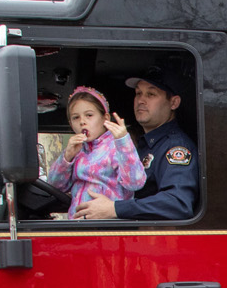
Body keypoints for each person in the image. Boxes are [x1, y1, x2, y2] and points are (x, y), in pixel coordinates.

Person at [75, 66, 198, 220]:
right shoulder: (139, 145)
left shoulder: (175, 147)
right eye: (138, 93)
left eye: (151, 94)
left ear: (173, 102)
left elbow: (178, 203)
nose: (141, 100)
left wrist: (115, 209)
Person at [46, 86, 144, 218]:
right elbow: (54, 186)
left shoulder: (117, 146)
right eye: (76, 117)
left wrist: (123, 141)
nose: (82, 122)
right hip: (78, 224)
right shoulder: (77, 149)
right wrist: (67, 157)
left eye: (89, 115)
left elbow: (135, 183)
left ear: (105, 118)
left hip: (109, 224)